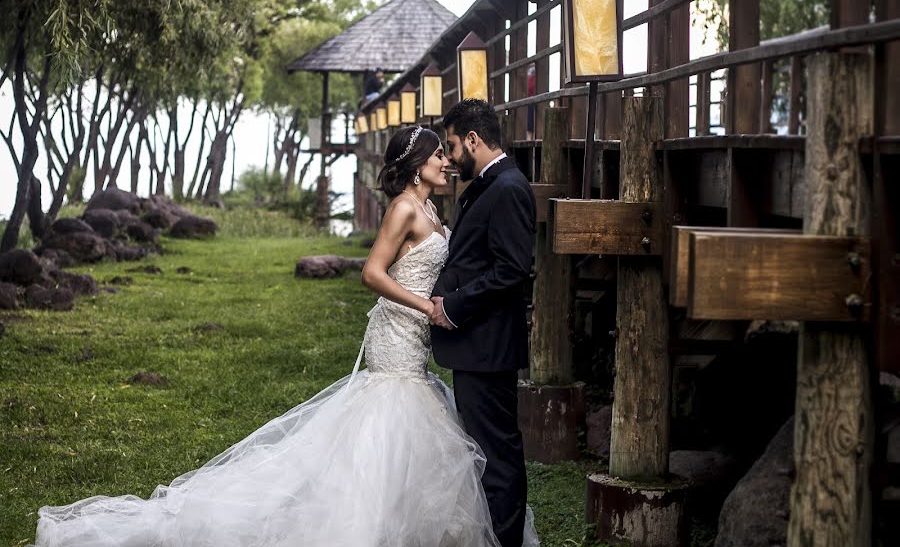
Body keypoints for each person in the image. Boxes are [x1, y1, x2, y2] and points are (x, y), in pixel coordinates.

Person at [32, 126, 539, 547]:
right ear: (415, 166)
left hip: (417, 345)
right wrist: (426, 305)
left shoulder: (432, 211)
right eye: (436, 155)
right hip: (398, 335)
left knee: (423, 431)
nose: (445, 163)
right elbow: (372, 273)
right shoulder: (405, 208)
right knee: (388, 427)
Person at [429, 99, 537, 547]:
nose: (450, 159)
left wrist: (453, 305)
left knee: (498, 456)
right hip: (478, 345)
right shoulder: (486, 183)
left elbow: (513, 270)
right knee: (486, 453)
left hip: (488, 346)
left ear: (473, 139)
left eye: (452, 147)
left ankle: (505, 540)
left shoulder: (508, 187)